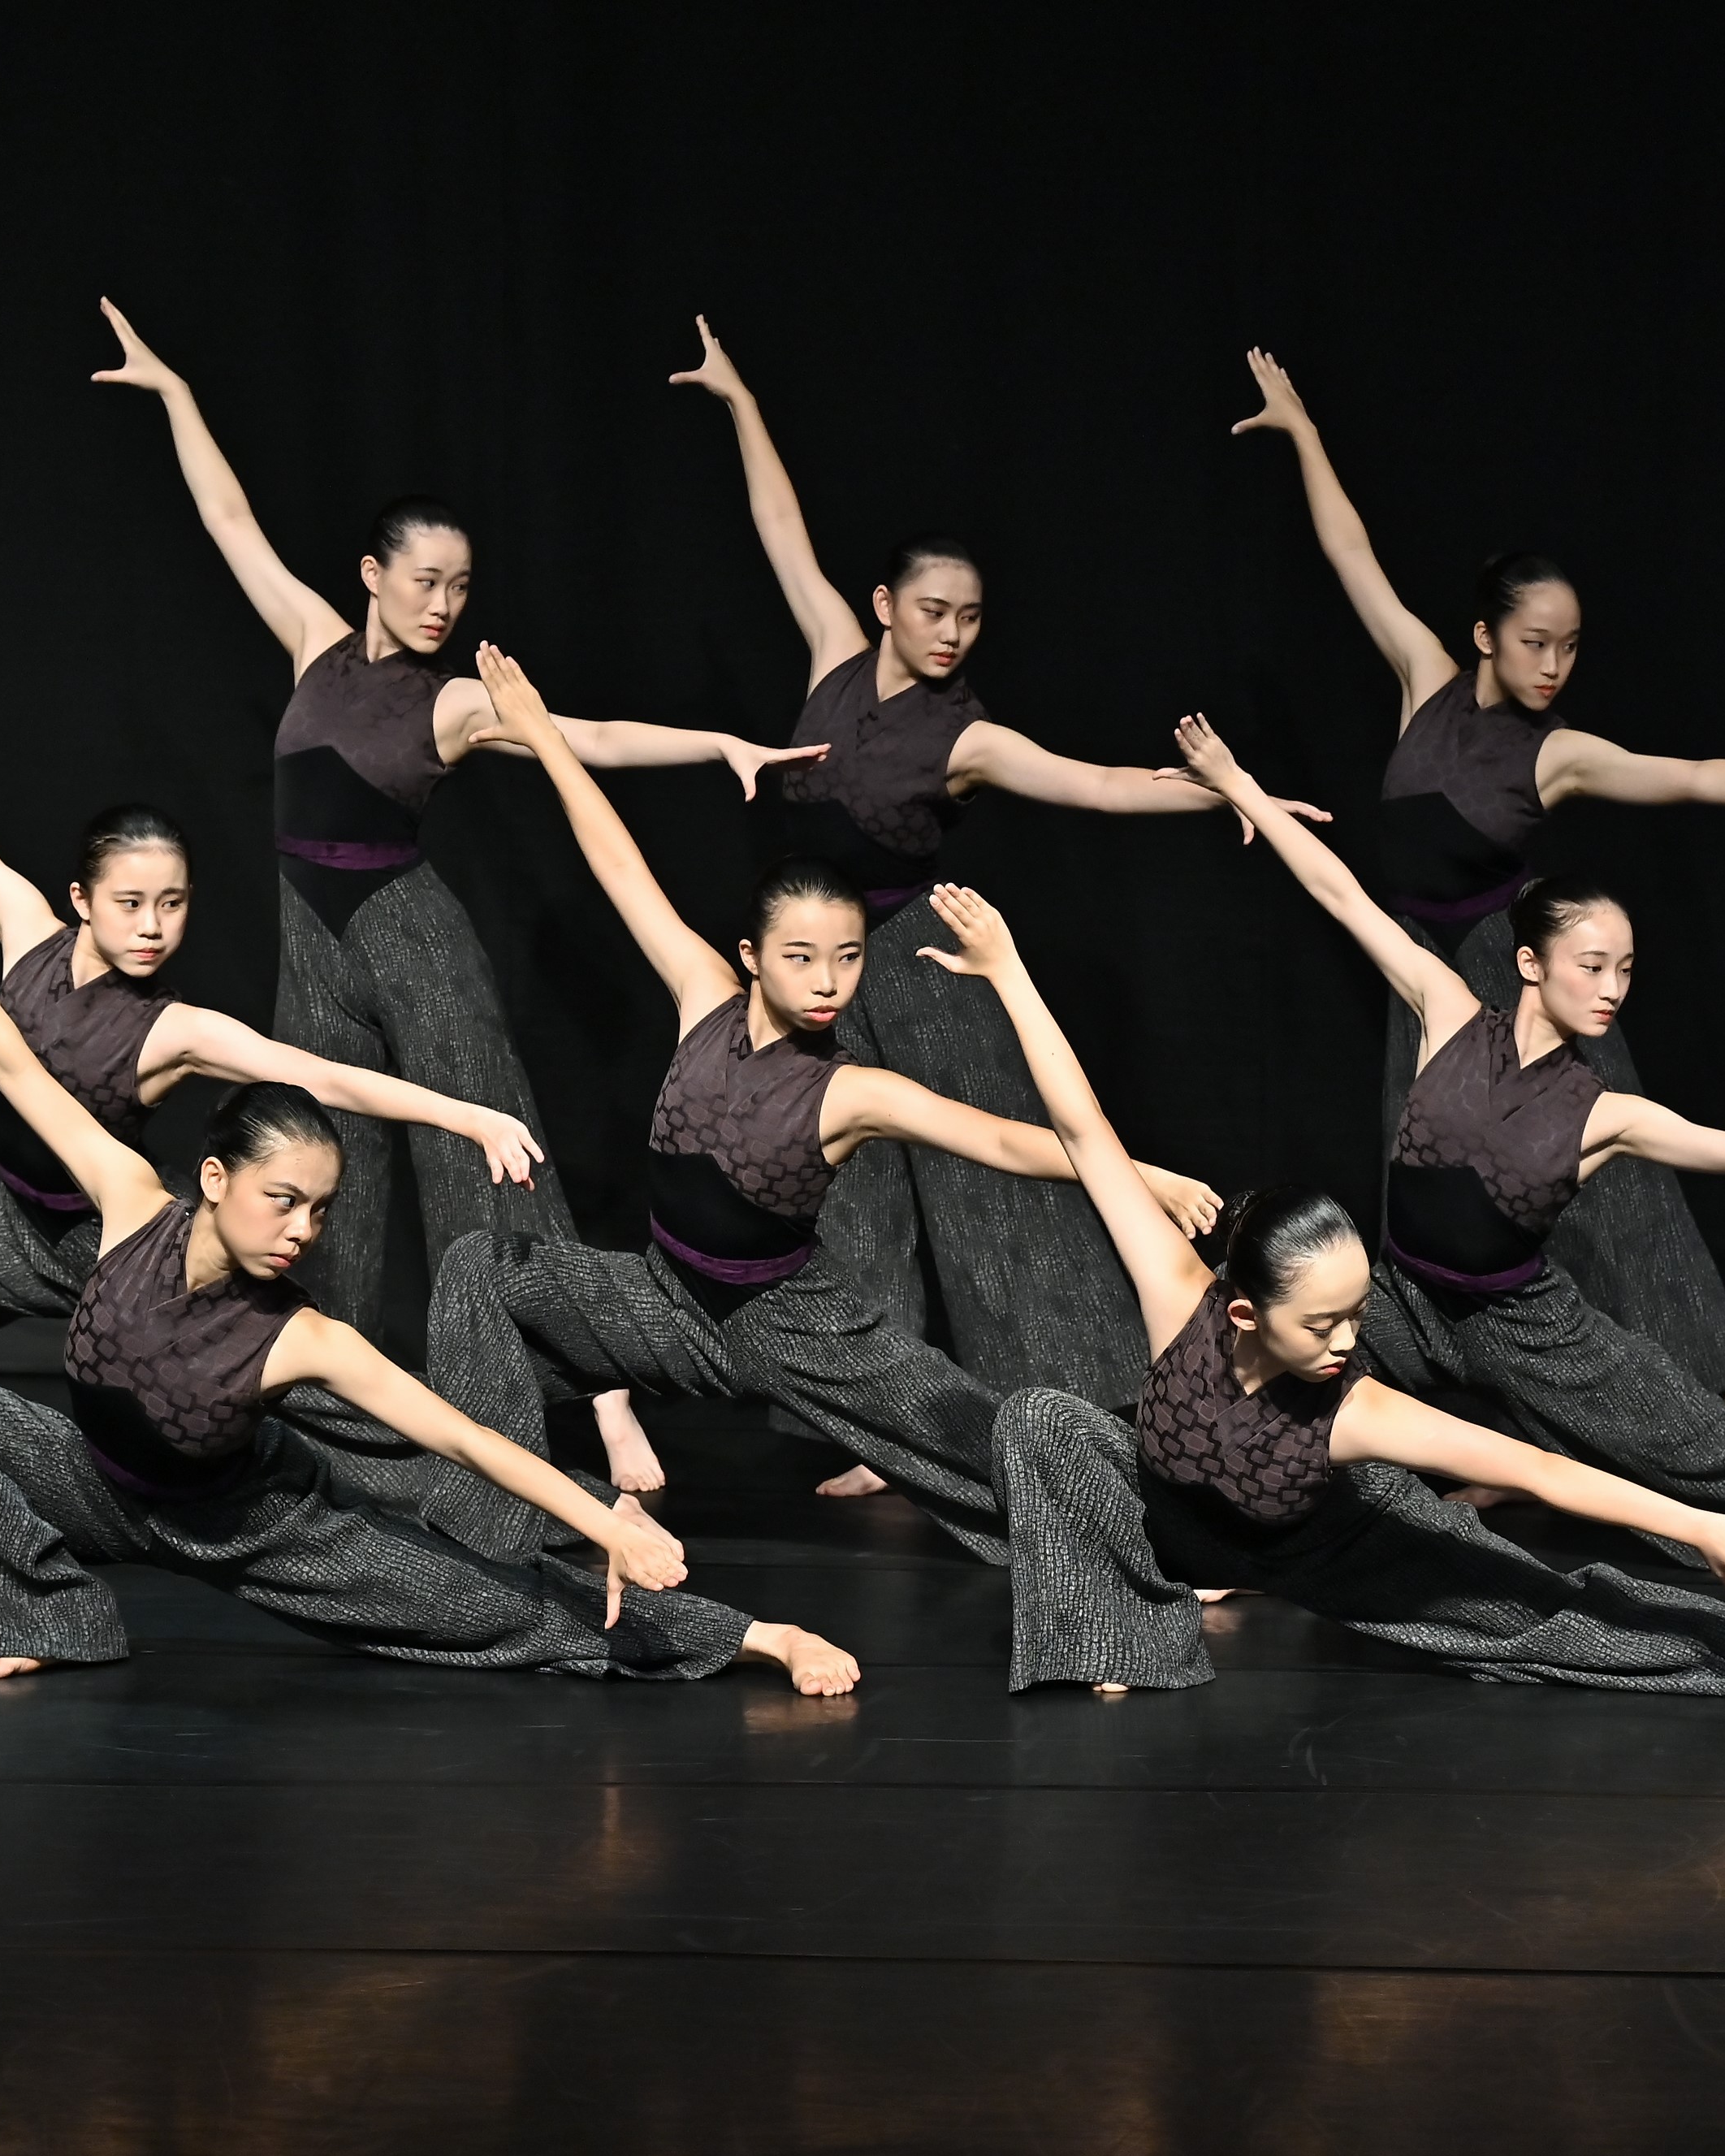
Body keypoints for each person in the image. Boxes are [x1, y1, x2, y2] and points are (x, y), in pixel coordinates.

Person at [0, 851, 855, 1694]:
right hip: (96, 1484)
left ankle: (761, 1637)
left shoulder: (304, 1335)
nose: (303, 1229)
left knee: (501, 1610)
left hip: (250, 1531)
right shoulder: (126, 1199)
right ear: (214, 1178)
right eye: (282, 1200)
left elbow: (464, 1437)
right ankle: (50, 1617)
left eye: (319, 1209)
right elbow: (8, 1057)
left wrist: (601, 1526)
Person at [96, 300, 813, 1486]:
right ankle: (321, 1406)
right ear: (372, 575)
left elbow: (587, 736)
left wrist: (718, 743)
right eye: (424, 581)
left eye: (461, 587)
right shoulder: (311, 639)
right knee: (320, 1156)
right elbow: (228, 521)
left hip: (410, 935)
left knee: (487, 1151)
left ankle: (605, 1403)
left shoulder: (456, 701)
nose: (442, 604)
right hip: (312, 942)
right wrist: (176, 392)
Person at [917, 881, 1725, 1713]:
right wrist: (1008, 972)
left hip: (1328, 1551)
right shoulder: (1176, 1293)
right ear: (1243, 1311)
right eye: (1322, 1323)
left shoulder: (1355, 1408)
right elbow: (1083, 1129)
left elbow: (1541, 1470)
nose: (1345, 1342)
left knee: (1549, 1610)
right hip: (1175, 1527)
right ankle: (1129, 1633)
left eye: (1356, 1316)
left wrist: (1701, 1526)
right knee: (1038, 1420)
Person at [0, 632, 543, 1556]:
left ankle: (513, 1503)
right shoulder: (25, 931)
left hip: (120, 1243)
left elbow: (318, 1074)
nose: (152, 927)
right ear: (81, 900)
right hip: (14, 1228)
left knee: (309, 1389)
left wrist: (463, 1114)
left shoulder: (173, 1029)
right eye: (130, 903)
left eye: (173, 904)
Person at [673, 320, 1325, 1476]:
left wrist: (1240, 795)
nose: (952, 632)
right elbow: (780, 524)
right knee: (851, 1197)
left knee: (983, 1194)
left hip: (917, 961)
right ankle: (882, 1425)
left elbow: (1101, 784)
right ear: (885, 603)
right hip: (819, 962)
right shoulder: (831, 652)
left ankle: (1077, 1410)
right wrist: (739, 401)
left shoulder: (967, 735)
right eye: (933, 610)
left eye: (970, 616)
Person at [1234, 351, 1725, 1418]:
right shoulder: (1423, 677)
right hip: (1422, 983)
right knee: (1439, 1205)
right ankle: (1508, 1433)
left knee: (1621, 1194)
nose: (1554, 664)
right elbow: (1349, 551)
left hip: (1515, 973)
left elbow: (1693, 774)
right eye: (1534, 643)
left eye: (1569, 646)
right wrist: (1301, 430)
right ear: (1483, 636)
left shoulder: (1554, 753)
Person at [422, 647, 1221, 1561]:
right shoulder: (703, 997)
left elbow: (1004, 1142)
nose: (829, 980)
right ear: (753, 956)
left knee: (990, 1446)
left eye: (848, 957)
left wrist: (1142, 1177)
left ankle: (1176, 1545)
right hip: (665, 1298)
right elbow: (618, 864)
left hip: (796, 1325)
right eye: (801, 958)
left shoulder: (852, 1089)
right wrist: (540, 736)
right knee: (482, 1269)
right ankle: (508, 1533)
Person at [1174, 714, 1725, 1574]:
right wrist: (1237, 783)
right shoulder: (1446, 1008)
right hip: (1403, 1299)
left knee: (1705, 1436)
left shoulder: (1606, 1112)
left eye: (1626, 969)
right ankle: (1217, 1544)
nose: (1612, 989)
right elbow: (1338, 891)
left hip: (1523, 1327)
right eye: (1592, 965)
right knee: (1249, 1352)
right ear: (1530, 963)